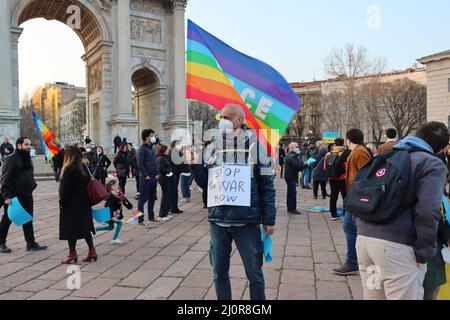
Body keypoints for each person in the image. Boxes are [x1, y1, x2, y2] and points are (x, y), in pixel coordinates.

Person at [355, 122, 450, 300]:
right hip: (397, 247)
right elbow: (428, 211)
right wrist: (424, 252)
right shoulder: (431, 163)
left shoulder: (387, 155)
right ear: (441, 149)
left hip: (365, 242)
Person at [195, 103, 276, 300]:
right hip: (218, 222)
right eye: (220, 117)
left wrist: (269, 219)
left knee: (254, 274)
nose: (222, 121)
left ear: (240, 120)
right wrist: (195, 161)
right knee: (219, 273)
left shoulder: (256, 146)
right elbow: (204, 183)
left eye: (227, 117)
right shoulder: (213, 147)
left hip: (246, 222)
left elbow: (267, 185)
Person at [333, 129, 372, 276]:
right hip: (354, 196)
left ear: (349, 140)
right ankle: (355, 260)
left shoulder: (359, 152)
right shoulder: (356, 151)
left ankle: (352, 262)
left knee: (349, 226)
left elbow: (367, 175)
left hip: (357, 197)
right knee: (352, 227)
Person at [0, 137, 47, 253]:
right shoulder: (11, 159)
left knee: (28, 218)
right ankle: (1, 242)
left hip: (27, 194)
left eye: (29, 144)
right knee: (8, 218)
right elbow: (4, 179)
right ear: (19, 145)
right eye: (26, 144)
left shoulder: (28, 158)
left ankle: (30, 243)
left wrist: (32, 185)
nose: (28, 147)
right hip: (13, 195)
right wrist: (6, 196)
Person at [59, 146, 97, 264]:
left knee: (70, 229)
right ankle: (92, 251)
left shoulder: (68, 169)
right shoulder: (84, 167)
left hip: (71, 204)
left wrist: (62, 203)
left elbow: (65, 190)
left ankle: (72, 253)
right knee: (85, 227)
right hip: (84, 202)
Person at [423, 200, 450, 300]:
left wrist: (447, 236)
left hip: (433, 257)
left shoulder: (438, 194)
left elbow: (440, 221)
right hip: (417, 256)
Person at [96, 180, 133, 245]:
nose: (117, 186)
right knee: (119, 223)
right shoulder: (111, 196)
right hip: (111, 214)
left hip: (116, 214)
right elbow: (108, 206)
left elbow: (124, 201)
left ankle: (96, 229)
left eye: (117, 185)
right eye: (114, 185)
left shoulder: (119, 194)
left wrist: (130, 206)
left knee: (111, 227)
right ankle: (114, 239)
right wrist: (112, 216)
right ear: (111, 187)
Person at [137, 129, 159, 226]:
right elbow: (140, 163)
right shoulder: (142, 149)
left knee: (152, 198)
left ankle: (151, 217)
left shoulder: (152, 148)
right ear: (146, 137)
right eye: (152, 135)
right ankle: (140, 220)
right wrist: (145, 175)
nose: (153, 137)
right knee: (143, 199)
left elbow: (155, 162)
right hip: (146, 178)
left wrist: (157, 173)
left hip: (154, 177)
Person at [324, 138, 348, 221]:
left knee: (333, 196)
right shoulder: (344, 153)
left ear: (335, 144)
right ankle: (346, 215)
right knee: (345, 196)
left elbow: (325, 166)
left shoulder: (328, 153)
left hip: (332, 178)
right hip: (342, 178)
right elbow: (346, 166)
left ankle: (333, 215)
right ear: (343, 143)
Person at [284, 143, 304, 215]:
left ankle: (290, 208)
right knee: (292, 193)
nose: (298, 148)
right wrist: (306, 165)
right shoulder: (292, 155)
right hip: (291, 176)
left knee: (290, 193)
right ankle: (292, 208)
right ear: (292, 148)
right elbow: (297, 165)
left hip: (289, 176)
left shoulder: (290, 155)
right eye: (296, 147)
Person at [156, 145, 174, 222]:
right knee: (165, 196)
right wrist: (169, 171)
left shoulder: (165, 157)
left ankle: (166, 213)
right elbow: (161, 168)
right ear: (163, 150)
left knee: (168, 195)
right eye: (167, 150)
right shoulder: (161, 158)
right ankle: (161, 215)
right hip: (163, 178)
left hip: (167, 178)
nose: (168, 151)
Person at [168, 140, 184, 214]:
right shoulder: (172, 152)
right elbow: (176, 163)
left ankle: (174, 207)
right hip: (173, 173)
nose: (179, 145)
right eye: (177, 144)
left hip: (176, 173)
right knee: (173, 191)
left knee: (175, 191)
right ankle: (172, 208)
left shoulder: (177, 152)